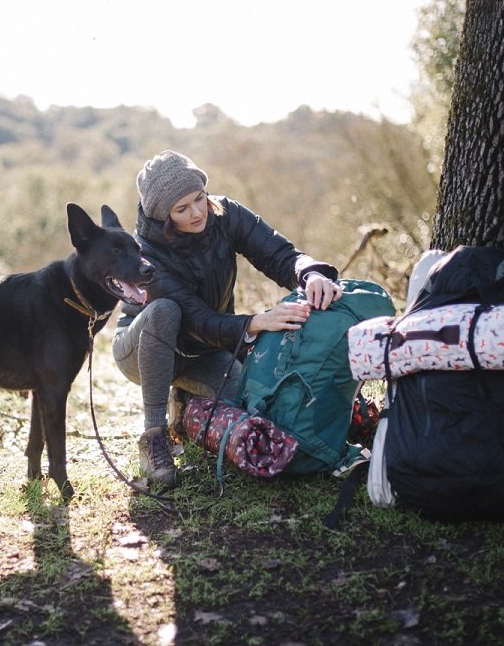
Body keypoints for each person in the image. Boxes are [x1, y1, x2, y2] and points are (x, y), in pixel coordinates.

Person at [112, 150, 342, 487]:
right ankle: (154, 436)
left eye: (199, 198)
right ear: (164, 216)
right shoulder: (146, 252)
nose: (196, 212)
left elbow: (278, 254)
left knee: (257, 404)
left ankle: (187, 406)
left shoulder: (225, 213)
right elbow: (195, 319)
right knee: (164, 311)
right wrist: (256, 322)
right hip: (143, 349)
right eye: (182, 209)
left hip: (206, 349)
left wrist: (309, 274)